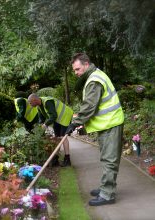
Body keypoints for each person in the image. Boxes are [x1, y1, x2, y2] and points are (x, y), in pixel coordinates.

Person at [66, 53, 124, 206]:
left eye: (77, 69)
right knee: (107, 158)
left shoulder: (94, 80)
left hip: (111, 123)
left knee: (109, 160)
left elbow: (90, 107)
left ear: (86, 64)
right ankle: (106, 188)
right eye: (74, 70)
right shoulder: (94, 75)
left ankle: (107, 195)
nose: (76, 73)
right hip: (107, 124)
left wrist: (75, 123)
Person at [28, 93, 73, 166]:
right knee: (57, 138)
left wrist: (45, 125)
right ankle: (56, 158)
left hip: (65, 116)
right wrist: (40, 126)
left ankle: (67, 159)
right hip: (58, 119)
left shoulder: (47, 102)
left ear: (34, 100)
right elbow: (41, 118)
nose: (30, 104)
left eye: (30, 103)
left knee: (63, 138)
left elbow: (53, 116)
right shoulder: (39, 106)